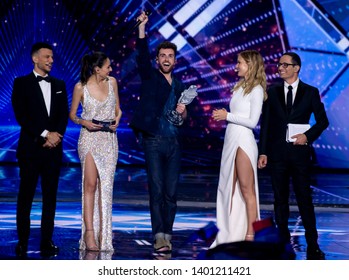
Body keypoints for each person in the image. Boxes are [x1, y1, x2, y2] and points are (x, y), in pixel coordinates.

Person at [257, 52, 329, 259]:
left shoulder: (310, 92)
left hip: (299, 155)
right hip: (277, 155)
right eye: (279, 64)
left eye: (285, 65)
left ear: (296, 68)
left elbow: (323, 121)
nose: (280, 68)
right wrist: (263, 151)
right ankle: (283, 243)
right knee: (280, 201)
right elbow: (266, 125)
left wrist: (307, 136)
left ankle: (313, 245)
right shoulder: (272, 92)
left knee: (304, 200)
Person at [130, 11, 188, 253]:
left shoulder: (180, 86)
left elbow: (183, 119)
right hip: (153, 140)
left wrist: (183, 111)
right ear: (157, 60)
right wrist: (142, 28)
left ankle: (168, 233)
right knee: (156, 189)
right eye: (162, 55)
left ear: (175, 61)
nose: (166, 59)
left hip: (174, 143)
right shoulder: (150, 76)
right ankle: (159, 236)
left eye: (170, 56)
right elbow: (142, 56)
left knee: (171, 193)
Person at [11, 42, 69, 257]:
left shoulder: (60, 84)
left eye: (52, 57)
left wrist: (56, 136)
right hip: (31, 149)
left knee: (50, 197)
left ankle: (46, 241)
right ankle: (23, 241)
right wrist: (45, 134)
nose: (51, 60)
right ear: (35, 59)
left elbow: (63, 115)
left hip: (53, 150)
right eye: (46, 57)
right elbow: (21, 115)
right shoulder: (21, 83)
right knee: (25, 196)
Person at [210, 50, 267, 248]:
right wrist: (228, 117)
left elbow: (252, 122)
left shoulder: (257, 89)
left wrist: (227, 116)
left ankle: (252, 232)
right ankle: (230, 232)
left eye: (240, 63)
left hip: (243, 140)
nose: (236, 66)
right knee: (228, 188)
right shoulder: (239, 87)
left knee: (246, 189)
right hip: (231, 139)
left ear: (250, 65)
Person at [69, 51, 122, 252]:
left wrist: (117, 119)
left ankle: (104, 235)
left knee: (106, 187)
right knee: (90, 184)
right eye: (107, 66)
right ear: (96, 68)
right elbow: (72, 114)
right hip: (89, 138)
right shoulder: (80, 87)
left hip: (109, 139)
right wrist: (84, 122)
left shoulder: (112, 82)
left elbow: (118, 109)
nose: (111, 69)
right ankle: (89, 233)